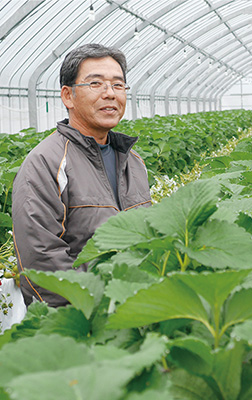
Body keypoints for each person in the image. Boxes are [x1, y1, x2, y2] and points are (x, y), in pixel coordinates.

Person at [12, 44, 152, 307]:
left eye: (118, 85)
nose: (110, 94)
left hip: (136, 309)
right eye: (96, 84)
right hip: (82, 320)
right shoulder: (45, 164)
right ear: (68, 96)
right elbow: (40, 262)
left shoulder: (134, 162)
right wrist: (94, 314)